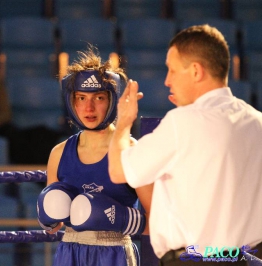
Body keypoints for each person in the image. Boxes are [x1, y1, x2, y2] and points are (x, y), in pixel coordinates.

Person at [108, 24, 262, 266]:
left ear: (195, 71)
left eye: (172, 70)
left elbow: (118, 170)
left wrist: (124, 121)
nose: (167, 81)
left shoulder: (182, 123)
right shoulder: (257, 122)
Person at [37, 46, 153, 266]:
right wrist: (47, 219)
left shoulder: (130, 150)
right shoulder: (59, 153)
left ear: (112, 99)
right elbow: (53, 225)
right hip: (69, 252)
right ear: (71, 102)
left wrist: (120, 218)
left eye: (98, 97)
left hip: (114, 253)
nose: (88, 107)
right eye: (81, 98)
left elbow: (158, 221)